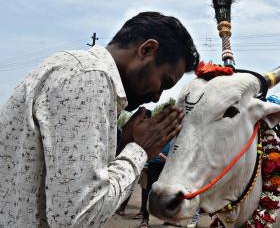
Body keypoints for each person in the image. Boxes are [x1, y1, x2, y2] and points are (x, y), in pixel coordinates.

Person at [0, 12, 200, 228]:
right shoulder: (89, 77)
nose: (157, 97)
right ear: (147, 50)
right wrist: (138, 151)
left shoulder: (79, 70)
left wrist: (122, 148)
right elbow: (78, 218)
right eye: (163, 82)